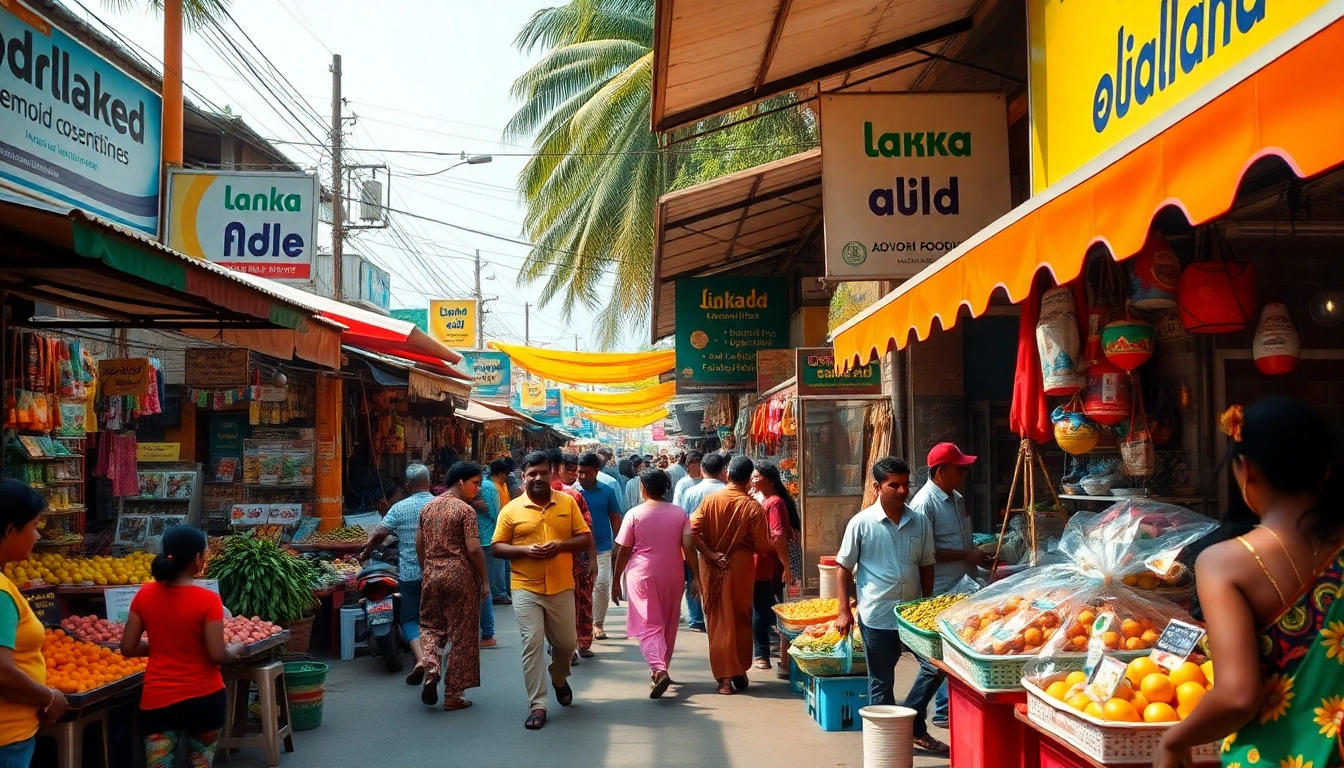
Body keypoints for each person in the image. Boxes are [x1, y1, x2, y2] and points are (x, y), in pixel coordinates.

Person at [1156, 398, 1344, 768]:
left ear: (1245, 468)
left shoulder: (1224, 563)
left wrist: (1172, 742)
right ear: (1324, 469)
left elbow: (1238, 697)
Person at [834, 457, 942, 755]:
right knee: (881, 683)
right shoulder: (861, 523)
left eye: (906, 484)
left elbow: (927, 563)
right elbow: (844, 568)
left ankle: (910, 720)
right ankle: (886, 748)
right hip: (877, 616)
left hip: (912, 616)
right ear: (877, 486)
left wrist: (927, 604)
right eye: (893, 485)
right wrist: (845, 610)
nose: (901, 490)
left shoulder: (920, 522)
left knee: (936, 667)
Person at [122, 525, 240, 767]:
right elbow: (217, 653)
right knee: (200, 763)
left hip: (158, 700)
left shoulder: (145, 594)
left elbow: (127, 648)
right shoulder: (208, 600)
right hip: (205, 699)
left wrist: (163, 646)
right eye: (205, 554)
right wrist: (236, 649)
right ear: (197, 559)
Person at [491, 452, 594, 730]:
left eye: (542, 473)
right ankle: (538, 704)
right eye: (531, 473)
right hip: (525, 587)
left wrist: (560, 546)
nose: (537, 478)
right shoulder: (511, 510)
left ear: (552, 474)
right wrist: (524, 550)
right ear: (524, 477)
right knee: (532, 644)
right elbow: (497, 546)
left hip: (562, 586)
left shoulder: (567, 502)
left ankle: (559, 678)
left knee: (566, 644)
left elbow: (584, 538)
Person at [907, 443, 982, 731]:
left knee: (957, 648)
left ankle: (948, 707)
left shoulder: (957, 498)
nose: (964, 472)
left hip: (962, 585)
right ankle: (940, 710)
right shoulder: (924, 503)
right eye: (959, 468)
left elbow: (960, 540)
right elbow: (925, 552)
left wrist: (975, 554)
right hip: (939, 590)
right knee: (940, 654)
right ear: (940, 471)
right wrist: (966, 555)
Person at [613, 469, 700, 699]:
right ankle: (660, 668)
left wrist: (615, 579)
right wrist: (697, 577)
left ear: (642, 487)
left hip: (641, 574)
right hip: (672, 573)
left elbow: (623, 549)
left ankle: (659, 669)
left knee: (648, 623)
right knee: (669, 622)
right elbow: (689, 547)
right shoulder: (679, 513)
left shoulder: (634, 514)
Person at [691, 455, 775, 695]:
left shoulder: (710, 500)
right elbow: (761, 546)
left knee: (718, 620)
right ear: (749, 479)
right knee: (740, 617)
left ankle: (724, 680)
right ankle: (738, 670)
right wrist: (774, 543)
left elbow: (692, 531)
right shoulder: (752, 507)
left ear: (727, 474)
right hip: (740, 566)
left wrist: (710, 553)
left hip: (712, 564)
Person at [0, 482, 67, 767]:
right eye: (34, 526)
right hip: (6, 738)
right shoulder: (1, 593)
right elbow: (1, 671)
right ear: (9, 530)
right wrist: (49, 696)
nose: (38, 535)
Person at [416, 462, 489, 711]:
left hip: (432, 573)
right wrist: (485, 579)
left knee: (430, 625)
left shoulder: (427, 507)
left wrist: (427, 570)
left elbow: (420, 545)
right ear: (460, 482)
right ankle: (454, 694)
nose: (477, 489)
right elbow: (474, 549)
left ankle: (431, 665)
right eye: (475, 483)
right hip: (460, 575)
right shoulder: (465, 510)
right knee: (462, 634)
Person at [359, 464, 434, 683]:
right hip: (437, 572)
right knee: (434, 619)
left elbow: (380, 535)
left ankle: (421, 658)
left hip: (410, 573)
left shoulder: (399, 508)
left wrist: (366, 552)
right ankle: (434, 659)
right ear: (429, 482)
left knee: (410, 618)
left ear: (408, 485)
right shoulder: (440, 504)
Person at [749, 462, 795, 670]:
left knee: (762, 608)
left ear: (770, 480)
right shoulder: (769, 501)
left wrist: (786, 566)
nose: (753, 480)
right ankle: (772, 654)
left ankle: (762, 655)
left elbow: (778, 536)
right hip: (766, 563)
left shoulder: (774, 502)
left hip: (768, 565)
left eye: (757, 477)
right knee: (766, 608)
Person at [574, 452, 624, 641]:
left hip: (603, 547)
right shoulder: (572, 492)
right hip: (578, 548)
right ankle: (579, 626)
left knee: (601, 585)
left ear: (596, 471)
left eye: (587, 472)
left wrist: (619, 544)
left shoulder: (607, 491)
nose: (583, 476)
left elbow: (615, 519)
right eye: (580, 472)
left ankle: (597, 624)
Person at [555, 452, 600, 658]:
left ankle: (581, 643)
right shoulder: (531, 495)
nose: (574, 474)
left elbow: (587, 530)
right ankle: (567, 646)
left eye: (576, 470)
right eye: (569, 469)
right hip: (553, 563)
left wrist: (592, 560)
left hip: (577, 561)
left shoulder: (574, 496)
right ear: (557, 469)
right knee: (562, 606)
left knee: (581, 601)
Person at [680, 452, 727, 633]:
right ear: (722, 471)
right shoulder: (728, 491)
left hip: (696, 547)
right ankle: (719, 618)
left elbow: (685, 524)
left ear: (702, 470)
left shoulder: (691, 492)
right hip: (723, 548)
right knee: (720, 585)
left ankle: (697, 619)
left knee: (695, 582)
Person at [474, 469, 502, 648]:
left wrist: (481, 506)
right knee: (481, 587)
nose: (476, 489)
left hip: (485, 542)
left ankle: (488, 633)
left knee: (484, 587)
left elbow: (494, 512)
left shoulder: (487, 488)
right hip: (480, 542)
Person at [486, 458, 517, 605]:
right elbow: (494, 511)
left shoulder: (502, 485)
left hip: (505, 528)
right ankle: (500, 592)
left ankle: (505, 590)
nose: (507, 477)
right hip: (496, 530)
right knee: (498, 564)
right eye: (506, 474)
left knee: (504, 563)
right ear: (500, 473)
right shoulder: (492, 488)